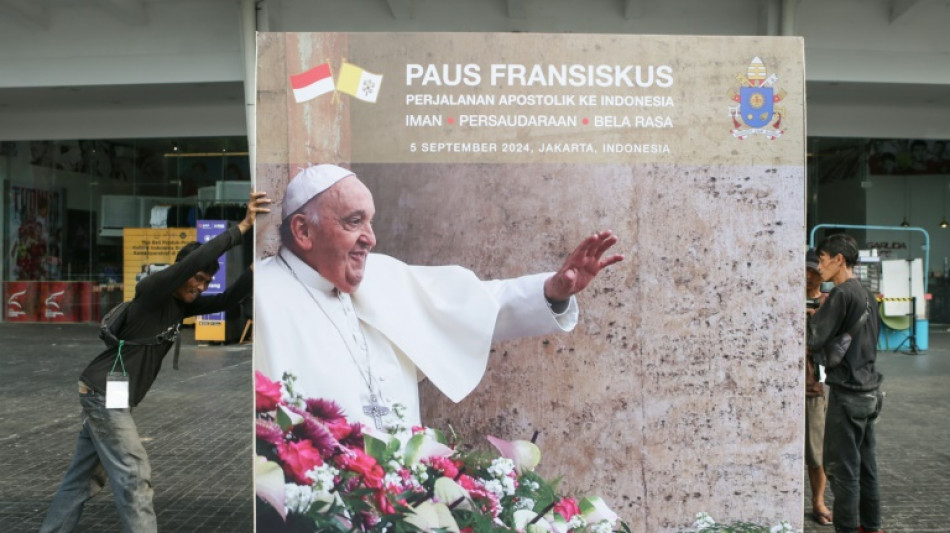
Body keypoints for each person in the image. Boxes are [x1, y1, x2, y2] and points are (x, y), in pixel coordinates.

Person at [255, 164, 623, 430]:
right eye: (354, 222)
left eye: (371, 221)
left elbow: (477, 304)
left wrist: (552, 291)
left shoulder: (383, 275)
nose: (371, 238)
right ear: (303, 231)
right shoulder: (263, 297)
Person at [40, 191, 272, 533]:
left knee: (81, 481)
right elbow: (193, 262)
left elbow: (230, 297)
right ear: (181, 274)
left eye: (206, 280)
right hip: (104, 395)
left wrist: (257, 266)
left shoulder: (182, 306)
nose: (201, 285)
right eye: (197, 278)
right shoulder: (152, 291)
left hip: (109, 397)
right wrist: (243, 226)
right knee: (134, 477)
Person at [807, 234, 884, 533]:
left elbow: (814, 338)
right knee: (867, 468)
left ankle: (848, 529)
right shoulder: (867, 294)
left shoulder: (840, 295)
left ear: (840, 260)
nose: (819, 266)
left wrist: (813, 316)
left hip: (847, 393)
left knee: (843, 471)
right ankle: (872, 527)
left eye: (823, 259)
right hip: (869, 393)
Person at [805, 248, 832, 526]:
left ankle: (818, 501)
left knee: (816, 451)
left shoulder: (827, 302)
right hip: (785, 386)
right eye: (806, 269)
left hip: (814, 385)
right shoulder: (786, 296)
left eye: (814, 270)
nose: (809, 276)